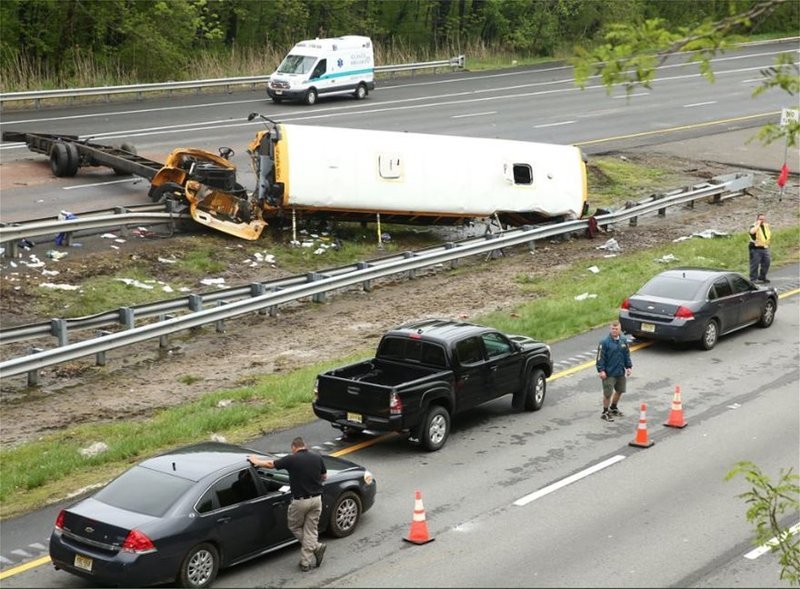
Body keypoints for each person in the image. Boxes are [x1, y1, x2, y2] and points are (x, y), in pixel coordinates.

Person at [248, 437, 327, 572]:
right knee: (311, 530)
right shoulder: (317, 457)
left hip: (300, 501)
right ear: (304, 445)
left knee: (294, 526)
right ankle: (305, 563)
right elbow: (324, 476)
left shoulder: (291, 459)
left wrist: (255, 461)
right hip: (317, 499)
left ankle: (315, 547)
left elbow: (270, 464)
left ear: (293, 447)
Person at [595, 321, 632, 422]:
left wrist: (628, 367)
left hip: (620, 372)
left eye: (616, 329)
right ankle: (605, 412)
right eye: (612, 329)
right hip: (609, 373)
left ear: (620, 329)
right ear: (610, 329)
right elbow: (600, 358)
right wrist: (601, 370)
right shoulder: (604, 342)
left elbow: (626, 355)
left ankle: (613, 407)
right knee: (608, 394)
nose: (614, 331)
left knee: (620, 390)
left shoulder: (623, 341)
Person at [748, 212, 772, 283]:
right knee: (754, 264)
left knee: (767, 262)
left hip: (764, 247)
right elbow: (752, 232)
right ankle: (753, 279)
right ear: (757, 219)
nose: (762, 221)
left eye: (763, 219)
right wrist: (757, 225)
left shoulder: (766, 226)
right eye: (760, 219)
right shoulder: (753, 226)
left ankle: (762, 276)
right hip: (755, 248)